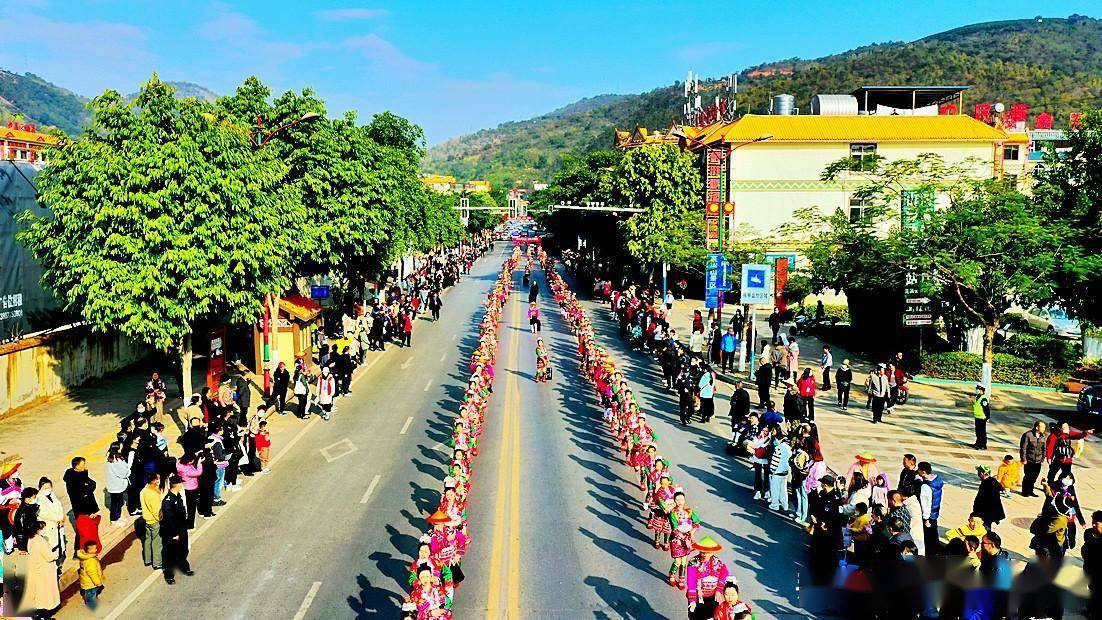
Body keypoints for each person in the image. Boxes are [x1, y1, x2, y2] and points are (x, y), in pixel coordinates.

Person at [63, 456, 101, 557]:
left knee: (85, 530)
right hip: (82, 508)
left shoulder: (81, 474)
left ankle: (82, 548)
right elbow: (83, 495)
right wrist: (90, 512)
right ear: (77, 466)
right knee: (83, 530)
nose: (85, 466)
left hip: (85, 507)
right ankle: (79, 549)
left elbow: (92, 484)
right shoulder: (73, 479)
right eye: (83, 464)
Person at [23, 520, 61, 618]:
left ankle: (40, 613)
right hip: (45, 569)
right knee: (47, 593)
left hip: (37, 569)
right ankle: (46, 615)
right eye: (42, 528)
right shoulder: (40, 541)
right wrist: (56, 554)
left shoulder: (31, 539)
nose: (44, 530)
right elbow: (49, 557)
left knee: (40, 592)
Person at [685, 536, 729, 619]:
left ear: (712, 552)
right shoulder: (693, 562)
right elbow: (691, 582)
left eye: (707, 552)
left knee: (711, 616)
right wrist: (692, 600)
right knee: (696, 617)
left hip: (713, 596)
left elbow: (725, 573)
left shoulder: (717, 562)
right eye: (702, 551)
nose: (704, 554)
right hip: (698, 596)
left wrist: (719, 590)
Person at [160, 475, 193, 584]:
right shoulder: (168, 501)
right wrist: (174, 534)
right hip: (173, 532)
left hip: (181, 528)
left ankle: (185, 567)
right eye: (180, 483)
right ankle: (169, 575)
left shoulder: (177, 496)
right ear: (177, 484)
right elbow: (169, 520)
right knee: (171, 554)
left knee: (183, 550)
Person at [35, 477, 65, 566]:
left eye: (49, 487)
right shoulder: (38, 498)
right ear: (40, 488)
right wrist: (58, 518)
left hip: (58, 524)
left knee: (58, 544)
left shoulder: (52, 495)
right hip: (49, 525)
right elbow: (43, 513)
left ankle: (57, 563)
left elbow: (59, 506)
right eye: (45, 488)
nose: (48, 490)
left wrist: (62, 517)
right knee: (50, 545)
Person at [917, 462, 943, 556]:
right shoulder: (937, 479)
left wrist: (925, 518)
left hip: (929, 514)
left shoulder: (925, 486)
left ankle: (931, 555)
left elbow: (926, 504)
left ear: (923, 472)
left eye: (919, 470)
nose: (917, 471)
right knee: (934, 533)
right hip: (935, 512)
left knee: (928, 537)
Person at [139, 472, 163, 570]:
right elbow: (156, 510)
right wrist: (161, 520)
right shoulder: (153, 494)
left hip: (147, 520)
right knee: (157, 542)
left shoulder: (144, 490)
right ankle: (157, 562)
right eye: (158, 478)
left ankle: (148, 559)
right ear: (154, 480)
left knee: (147, 540)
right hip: (155, 520)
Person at [1019, 420, 1048, 497]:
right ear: (1037, 427)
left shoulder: (1043, 436)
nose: (1044, 429)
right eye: (1043, 427)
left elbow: (1044, 448)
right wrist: (1023, 459)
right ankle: (1025, 492)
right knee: (1028, 476)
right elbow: (1023, 448)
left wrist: (1043, 458)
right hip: (1029, 459)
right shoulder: (1028, 435)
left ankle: (1030, 491)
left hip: (1038, 460)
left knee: (1035, 476)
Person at [1083, 510, 1102, 617]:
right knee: (1092, 589)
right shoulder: (1089, 533)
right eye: (1093, 522)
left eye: (1097, 523)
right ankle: (1091, 609)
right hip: (1090, 569)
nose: (1094, 525)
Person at [77, 540, 105, 607]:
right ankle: (91, 605)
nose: (96, 549)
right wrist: (98, 583)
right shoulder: (91, 561)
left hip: (86, 581)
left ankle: (91, 600)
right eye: (95, 548)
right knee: (91, 594)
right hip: (91, 583)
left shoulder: (85, 557)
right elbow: (93, 574)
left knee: (91, 593)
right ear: (90, 551)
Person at [768, 433, 792, 513]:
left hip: (777, 472)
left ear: (778, 439)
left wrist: (771, 470)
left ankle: (774, 505)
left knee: (775, 489)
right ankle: (785, 505)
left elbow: (775, 462)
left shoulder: (778, 448)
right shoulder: (788, 448)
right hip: (785, 472)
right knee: (783, 490)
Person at [971, 384, 991, 450]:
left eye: (978, 389)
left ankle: (983, 445)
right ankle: (978, 443)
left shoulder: (983, 399)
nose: (977, 390)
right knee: (978, 432)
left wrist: (987, 417)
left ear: (981, 390)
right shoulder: (978, 396)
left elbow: (986, 409)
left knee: (982, 432)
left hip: (982, 418)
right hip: (977, 417)